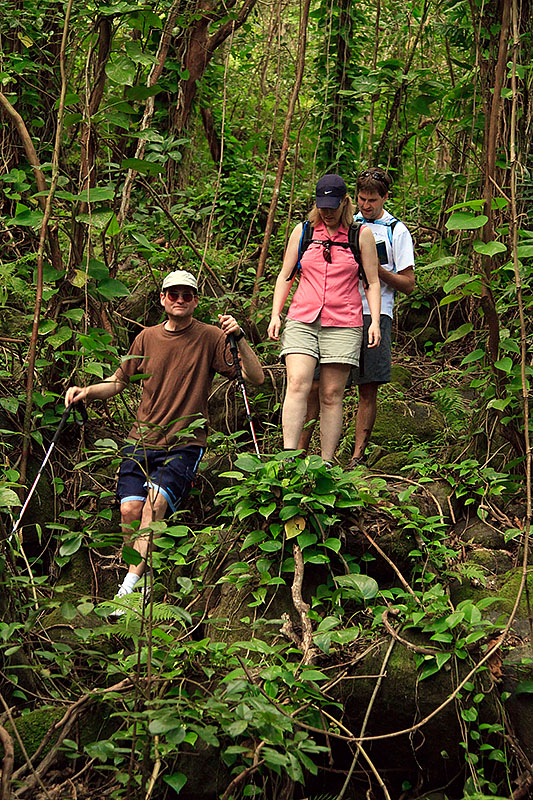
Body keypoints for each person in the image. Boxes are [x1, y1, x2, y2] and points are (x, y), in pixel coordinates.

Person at [65, 270, 264, 605]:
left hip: (184, 443)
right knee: (130, 511)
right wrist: (86, 391)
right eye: (174, 294)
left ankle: (128, 589)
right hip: (141, 440)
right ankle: (138, 576)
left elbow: (254, 378)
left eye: (187, 295)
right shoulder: (146, 338)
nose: (180, 300)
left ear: (196, 300)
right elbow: (117, 382)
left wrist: (240, 337)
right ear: (162, 298)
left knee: (154, 507)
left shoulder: (212, 337)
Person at [299, 168, 415, 466]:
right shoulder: (349, 224)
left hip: (375, 314)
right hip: (335, 312)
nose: (366, 206)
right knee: (316, 385)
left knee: (367, 384)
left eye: (373, 200)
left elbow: (409, 284)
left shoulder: (396, 230)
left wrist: (375, 269)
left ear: (385, 198)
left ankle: (357, 456)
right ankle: (299, 453)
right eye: (362, 199)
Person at [267, 174, 381, 463]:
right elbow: (286, 274)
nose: (327, 213)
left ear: (345, 203)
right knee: (299, 383)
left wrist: (376, 321)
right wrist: (275, 314)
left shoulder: (360, 235)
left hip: (344, 321)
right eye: (322, 207)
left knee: (331, 394)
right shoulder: (303, 231)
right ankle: (288, 459)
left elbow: (372, 281)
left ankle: (326, 463)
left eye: (332, 207)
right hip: (303, 317)